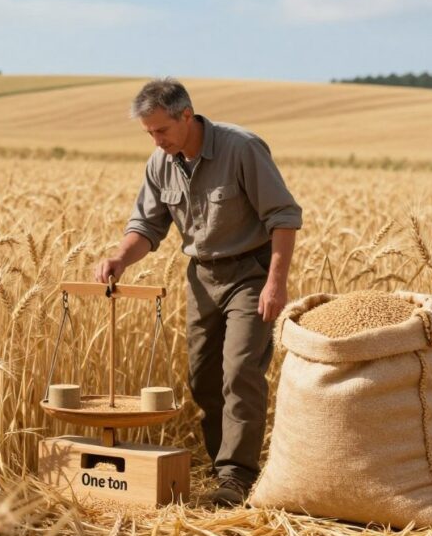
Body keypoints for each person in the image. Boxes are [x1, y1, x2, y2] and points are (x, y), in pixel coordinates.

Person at [94, 77, 302, 507]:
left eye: (161, 130)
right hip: (201, 277)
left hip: (250, 272)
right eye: (149, 133)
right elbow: (147, 227)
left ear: (186, 115)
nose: (156, 140)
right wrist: (119, 259)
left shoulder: (241, 149)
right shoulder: (160, 162)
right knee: (203, 378)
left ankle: (236, 476)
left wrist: (275, 284)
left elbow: (283, 217)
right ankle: (221, 467)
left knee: (240, 370)